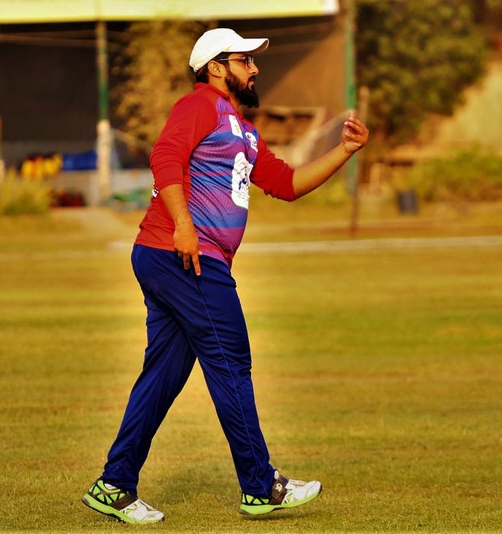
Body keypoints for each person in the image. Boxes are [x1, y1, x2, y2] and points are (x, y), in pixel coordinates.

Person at [82, 27, 369, 525]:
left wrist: (344, 151)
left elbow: (286, 183)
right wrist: (184, 225)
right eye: (244, 60)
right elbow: (164, 157)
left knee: (163, 376)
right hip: (186, 258)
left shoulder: (242, 129)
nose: (254, 68)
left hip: (170, 258)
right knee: (231, 363)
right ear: (216, 67)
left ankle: (114, 485)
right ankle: (261, 486)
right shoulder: (199, 105)